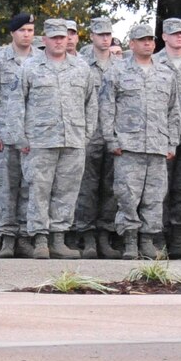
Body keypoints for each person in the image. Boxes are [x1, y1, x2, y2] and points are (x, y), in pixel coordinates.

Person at [7, 18, 98, 258]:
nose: (59, 41)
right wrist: (21, 138)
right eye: (54, 37)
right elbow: (16, 104)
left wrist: (85, 135)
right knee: (39, 190)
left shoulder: (81, 68)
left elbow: (92, 104)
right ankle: (39, 239)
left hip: (73, 140)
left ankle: (59, 239)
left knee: (66, 191)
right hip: (40, 141)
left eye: (63, 37)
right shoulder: (30, 67)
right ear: (44, 39)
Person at [101, 21, 181, 259]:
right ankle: (130, 241)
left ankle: (148, 240)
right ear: (132, 43)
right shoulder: (117, 71)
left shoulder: (166, 74)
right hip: (128, 146)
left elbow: (173, 111)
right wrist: (110, 139)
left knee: (155, 197)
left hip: (157, 145)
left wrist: (172, 142)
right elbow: (106, 107)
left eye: (151, 40)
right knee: (127, 195)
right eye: (143, 40)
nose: (148, 43)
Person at [0, 13, 38, 256]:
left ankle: (25, 236)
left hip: (33, 137)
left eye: (30, 30)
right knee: (6, 188)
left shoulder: (41, 59)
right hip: (6, 137)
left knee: (31, 188)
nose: (27, 34)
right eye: (22, 30)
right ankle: (7, 237)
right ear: (12, 33)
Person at [74, 17, 120, 256]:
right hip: (89, 134)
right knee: (87, 187)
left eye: (108, 34)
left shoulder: (121, 65)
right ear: (90, 36)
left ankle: (105, 235)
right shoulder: (80, 65)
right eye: (100, 34)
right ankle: (87, 236)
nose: (105, 38)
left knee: (111, 187)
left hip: (113, 134)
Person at [154, 18, 181, 257]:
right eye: (174, 34)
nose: (179, 38)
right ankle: (159, 237)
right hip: (161, 134)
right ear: (164, 37)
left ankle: (179, 239)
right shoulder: (156, 62)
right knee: (160, 189)